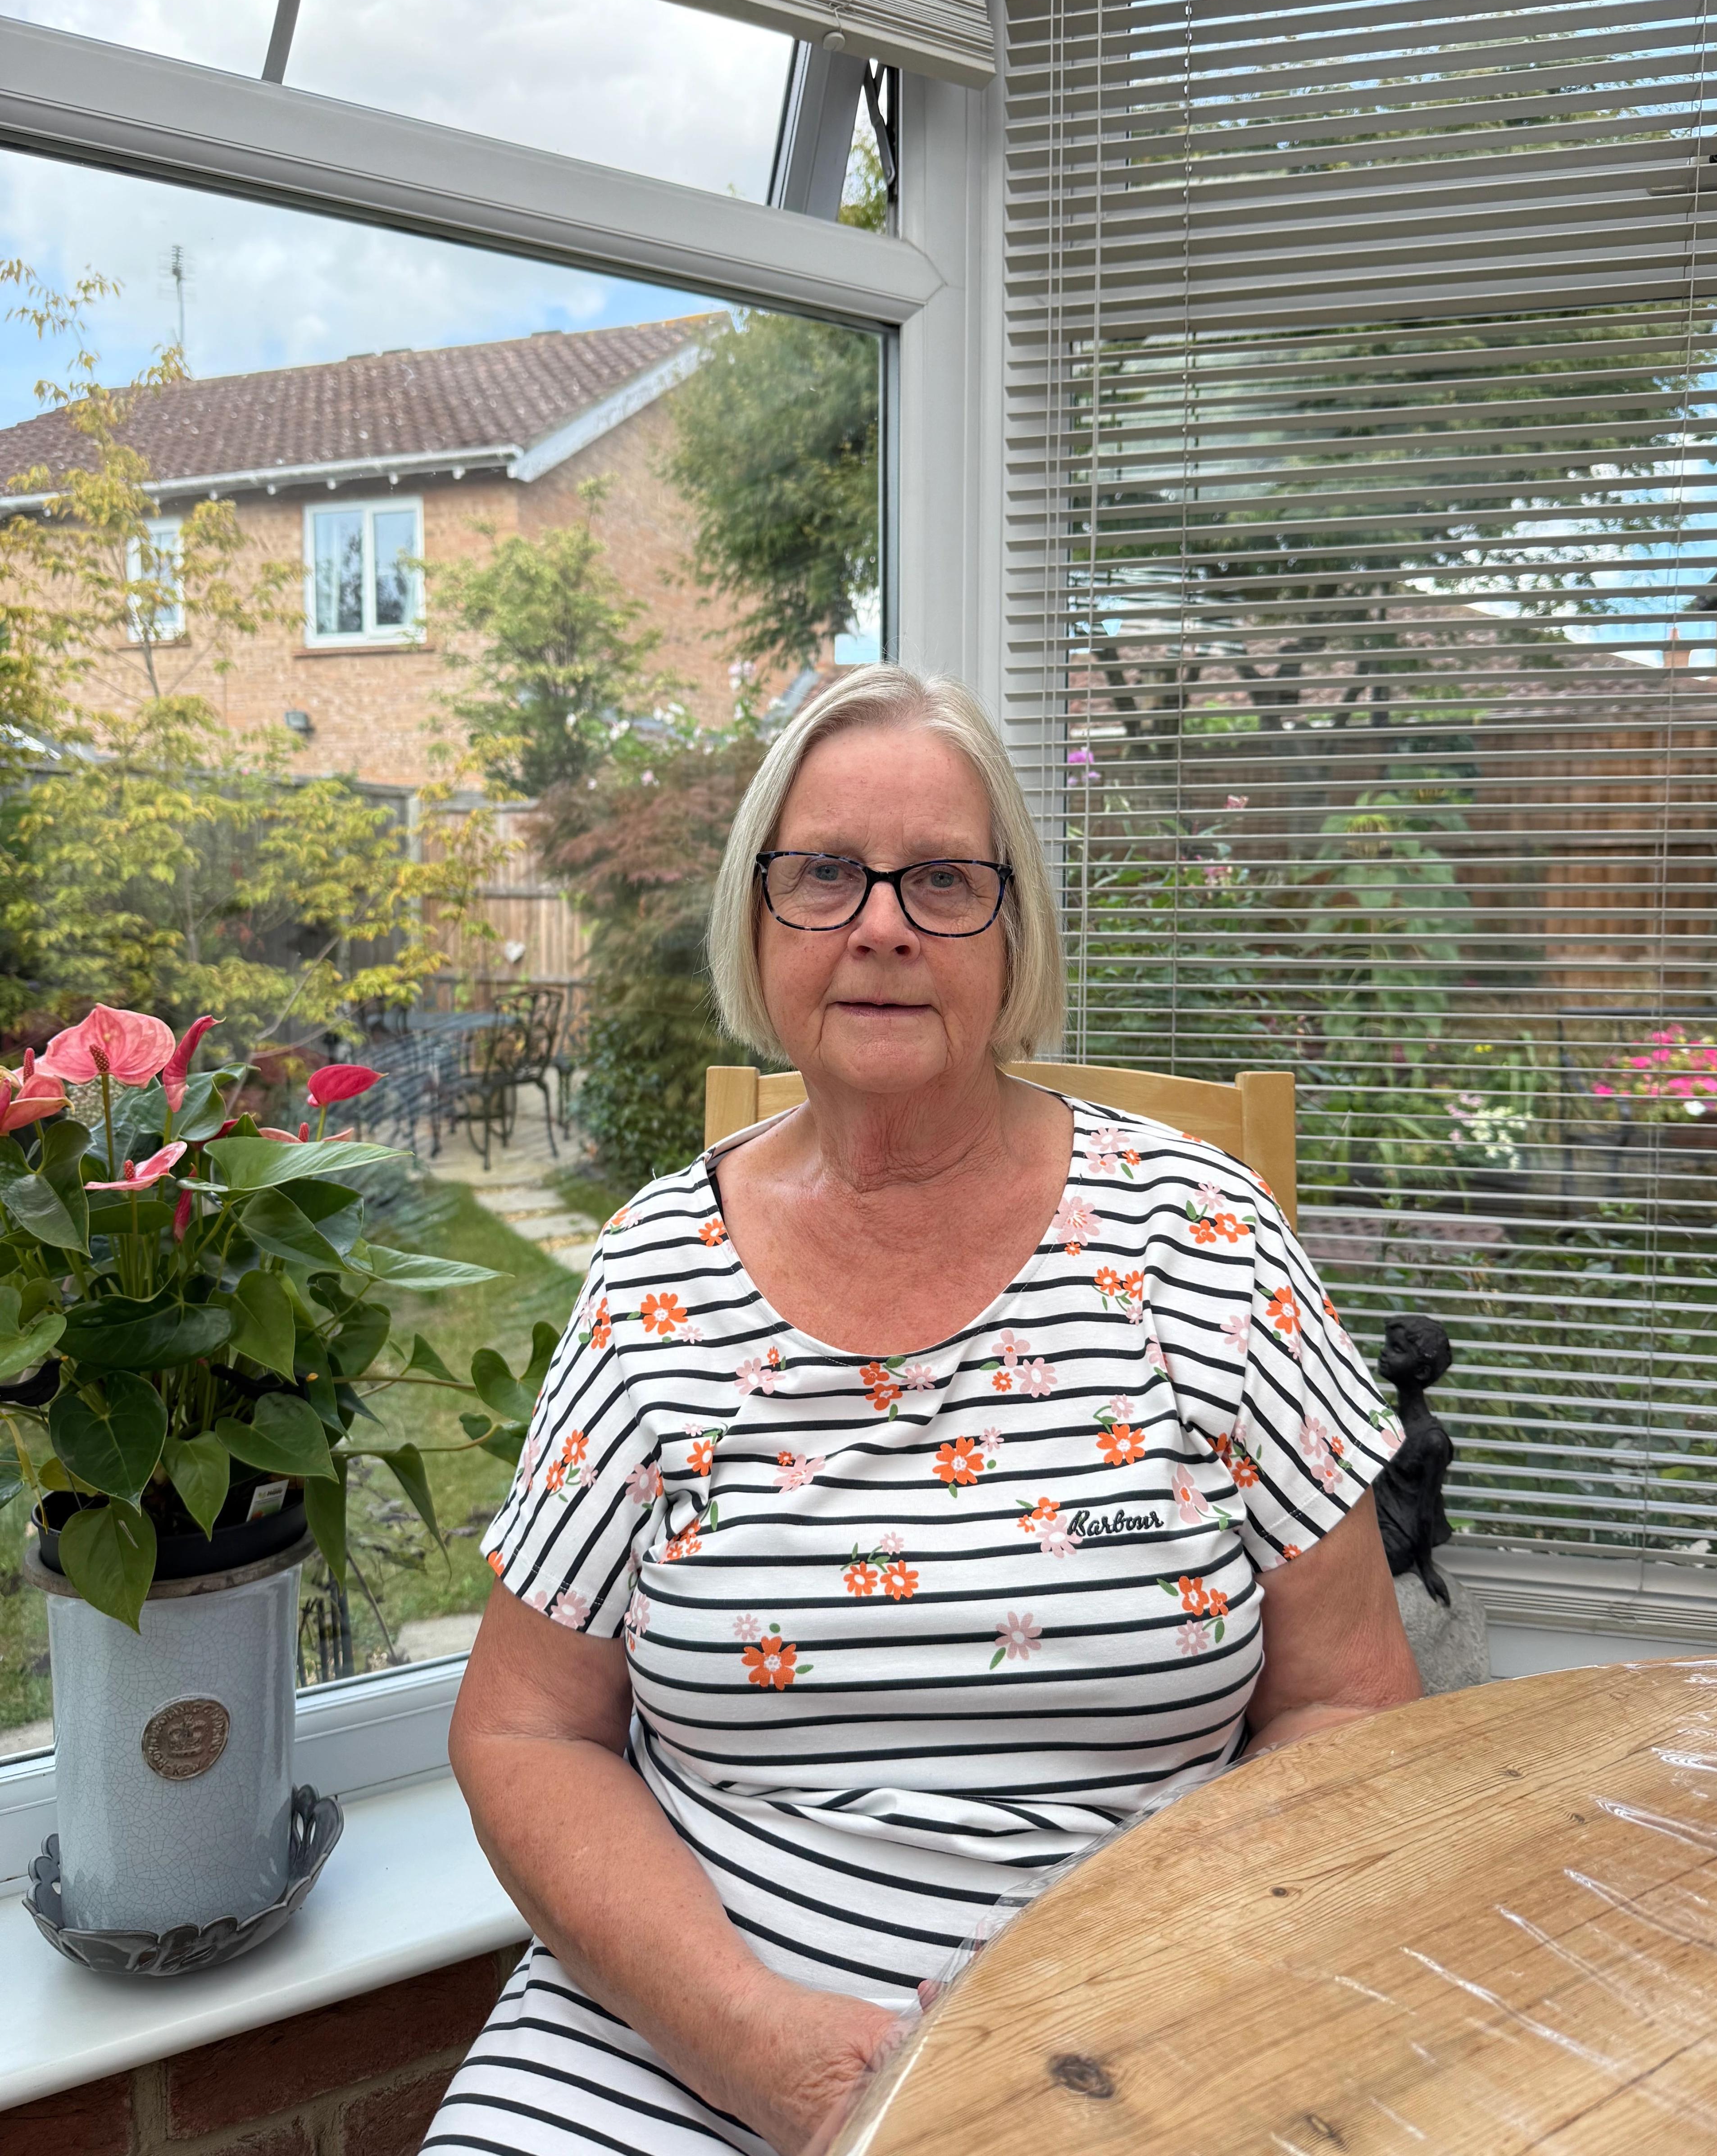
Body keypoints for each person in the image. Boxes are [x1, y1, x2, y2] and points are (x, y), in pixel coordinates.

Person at [427, 664, 1421, 2156]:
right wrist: (749, 2042)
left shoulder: (1200, 1243)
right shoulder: (652, 1273)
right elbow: (522, 1732)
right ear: (759, 926)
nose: (882, 923)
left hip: (1123, 2048)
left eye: (945, 878)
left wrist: (1140, 2019)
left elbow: (1349, 1703)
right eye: (824, 873)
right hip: (671, 2033)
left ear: (1012, 933)